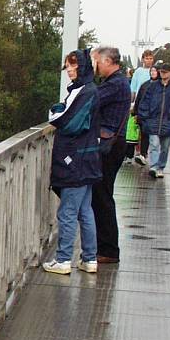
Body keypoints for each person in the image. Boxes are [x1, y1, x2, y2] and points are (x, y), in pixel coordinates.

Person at [43, 50, 102, 275]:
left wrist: (55, 111)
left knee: (67, 212)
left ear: (83, 66)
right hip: (87, 158)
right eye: (67, 65)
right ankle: (89, 259)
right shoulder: (87, 90)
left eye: (73, 65)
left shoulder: (84, 92)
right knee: (85, 210)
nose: (69, 69)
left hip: (74, 160)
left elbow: (66, 121)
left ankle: (63, 259)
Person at [91, 46, 131, 264]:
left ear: (107, 61)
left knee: (102, 196)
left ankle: (108, 250)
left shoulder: (115, 84)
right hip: (112, 145)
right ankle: (105, 247)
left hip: (109, 146)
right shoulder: (117, 82)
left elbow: (89, 99)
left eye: (96, 62)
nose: (95, 66)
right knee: (101, 195)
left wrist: (85, 77)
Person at [137, 62, 170, 178]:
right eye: (161, 72)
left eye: (165, 72)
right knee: (154, 144)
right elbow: (145, 101)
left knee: (165, 147)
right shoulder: (152, 86)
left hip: (167, 121)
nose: (162, 74)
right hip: (153, 120)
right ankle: (154, 167)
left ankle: (161, 167)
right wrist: (145, 116)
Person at [130, 50, 155, 165]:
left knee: (146, 130)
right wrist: (132, 104)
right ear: (143, 59)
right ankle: (136, 151)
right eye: (147, 58)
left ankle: (143, 153)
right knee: (136, 128)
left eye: (151, 58)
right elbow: (133, 88)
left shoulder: (155, 72)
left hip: (151, 106)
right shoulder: (138, 72)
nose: (149, 60)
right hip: (139, 104)